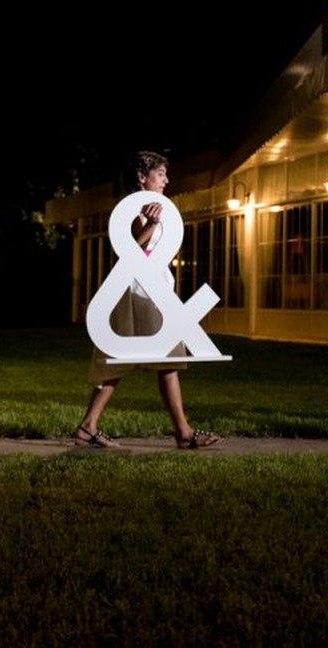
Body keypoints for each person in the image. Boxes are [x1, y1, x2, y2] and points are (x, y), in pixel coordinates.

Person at [73, 150, 222, 450]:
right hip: (138, 294)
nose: (167, 179)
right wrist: (152, 226)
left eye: (166, 174)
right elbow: (129, 251)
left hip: (155, 292)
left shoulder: (159, 208)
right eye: (160, 174)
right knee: (162, 358)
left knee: (136, 360)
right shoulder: (131, 210)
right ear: (142, 177)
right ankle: (182, 433)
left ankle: (89, 427)